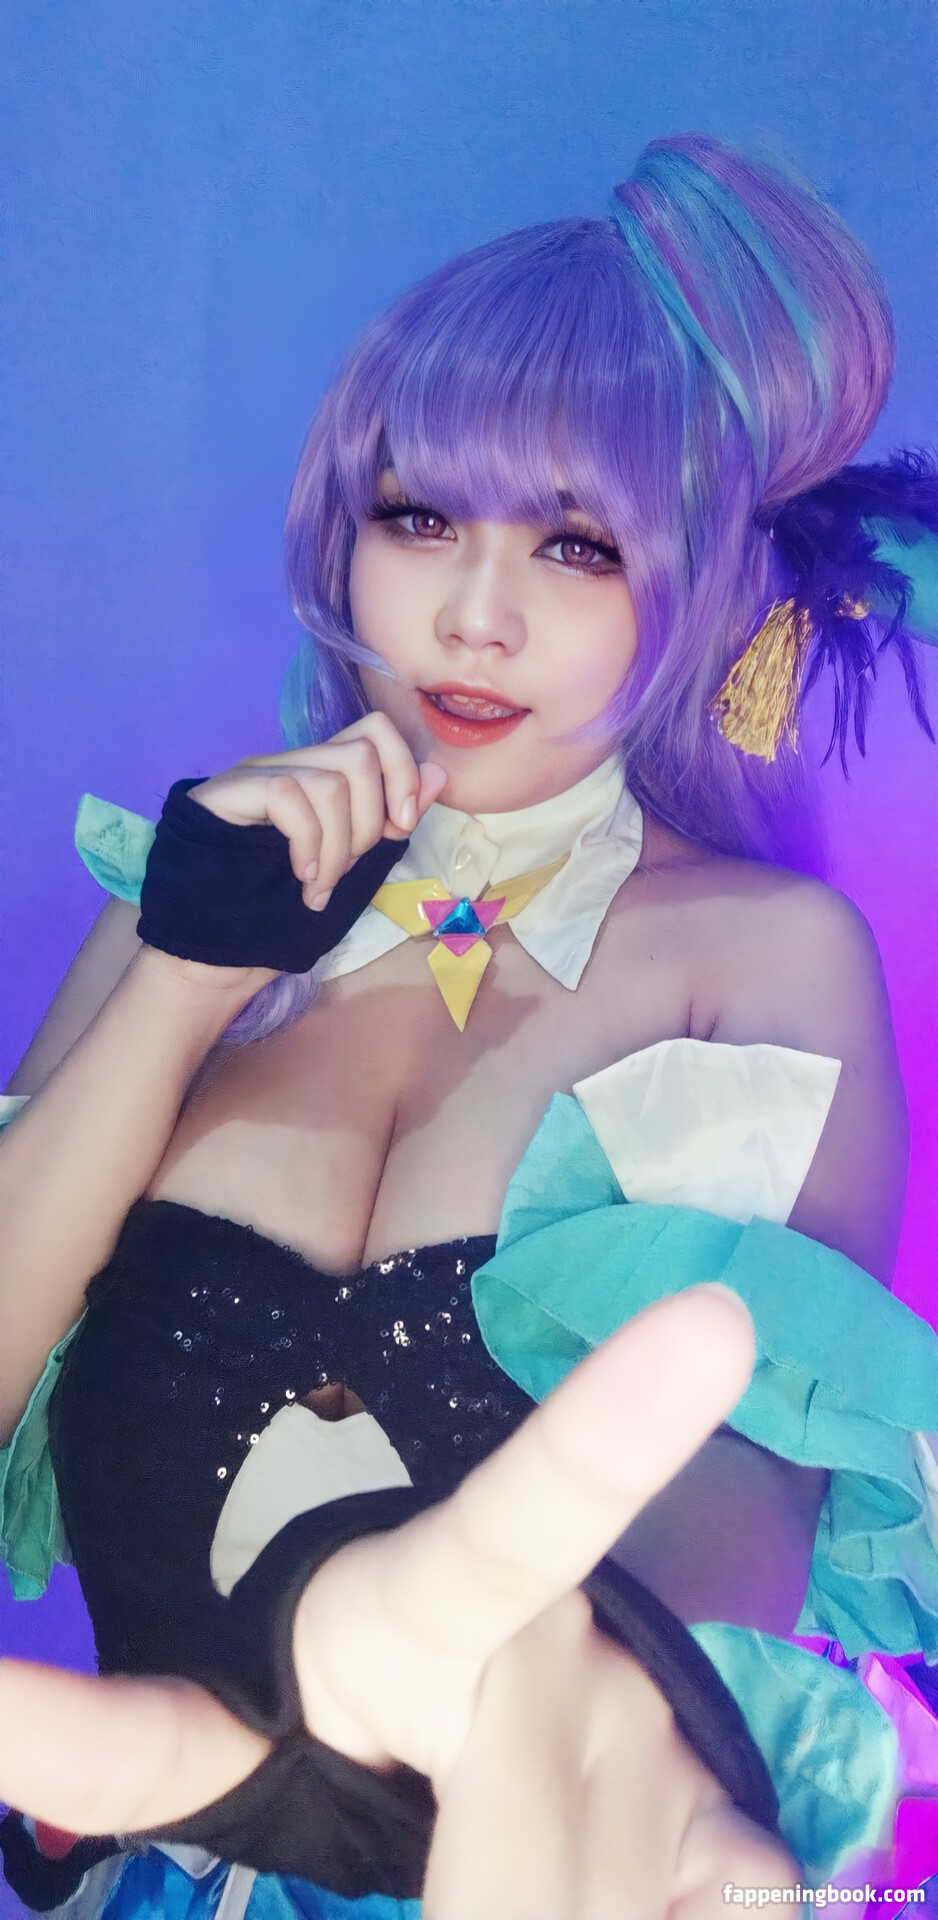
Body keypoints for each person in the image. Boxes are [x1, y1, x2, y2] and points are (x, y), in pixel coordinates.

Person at [0, 132, 936, 1920]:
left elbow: (749, 1495)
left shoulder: (766, 962)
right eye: (418, 517)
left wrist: (520, 1727)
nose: (475, 615)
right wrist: (184, 983)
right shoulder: (176, 907)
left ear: (700, 582)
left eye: (576, 544)